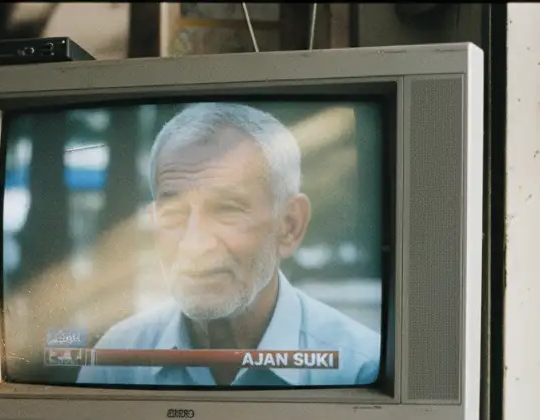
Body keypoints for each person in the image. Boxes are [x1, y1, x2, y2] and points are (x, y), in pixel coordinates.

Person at [76, 102, 381, 388]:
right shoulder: (115, 360)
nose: (195, 244)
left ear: (289, 226)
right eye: (173, 213)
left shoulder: (358, 365)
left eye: (227, 209)